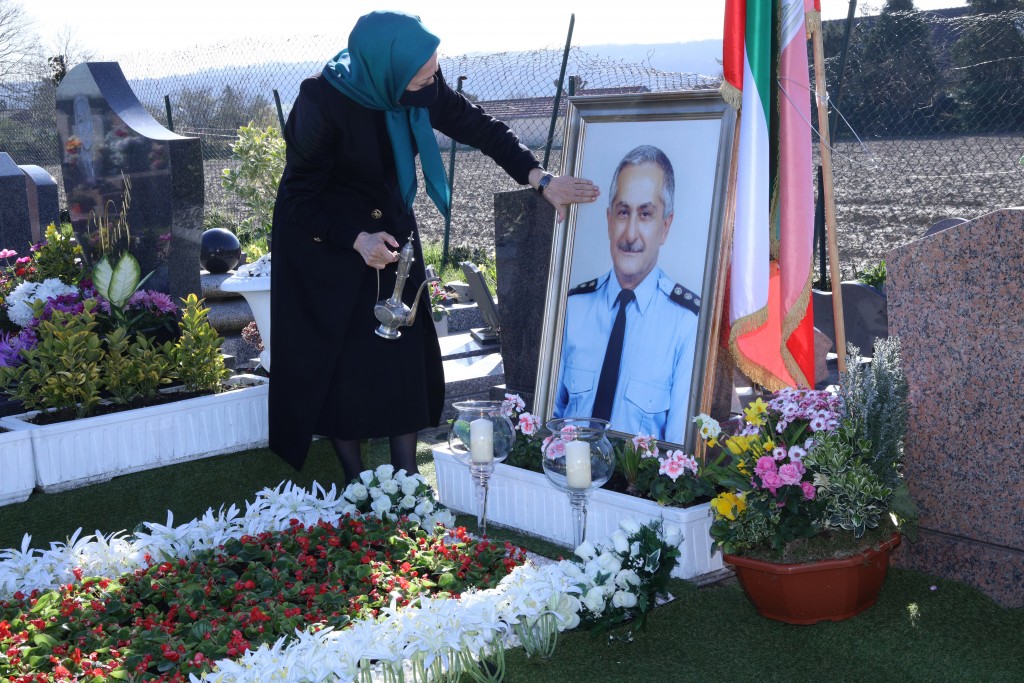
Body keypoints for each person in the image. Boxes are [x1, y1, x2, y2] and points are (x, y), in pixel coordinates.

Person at [269, 10, 599, 482]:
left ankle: (405, 478)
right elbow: (299, 195)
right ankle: (358, 483)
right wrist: (356, 239)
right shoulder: (321, 101)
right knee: (346, 361)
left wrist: (540, 178)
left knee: (402, 353)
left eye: (433, 71)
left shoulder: (419, 84)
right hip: (330, 239)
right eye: (423, 75)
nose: (433, 82)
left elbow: (480, 127)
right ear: (389, 70)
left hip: (390, 227)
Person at [553, 144, 699, 442]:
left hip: (638, 486)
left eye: (645, 214)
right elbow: (550, 419)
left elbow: (677, 448)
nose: (630, 234)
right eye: (623, 212)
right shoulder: (573, 308)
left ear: (665, 227)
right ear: (609, 220)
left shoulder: (686, 324)